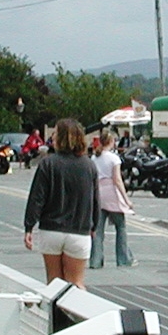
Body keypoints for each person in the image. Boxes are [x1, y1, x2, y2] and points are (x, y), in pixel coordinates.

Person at [24, 117, 97, 286]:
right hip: (79, 230)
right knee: (76, 283)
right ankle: (77, 304)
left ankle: (55, 304)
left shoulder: (48, 164)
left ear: (62, 137)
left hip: (51, 230)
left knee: (54, 281)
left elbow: (37, 198)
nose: (53, 137)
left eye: (56, 133)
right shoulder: (89, 166)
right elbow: (95, 200)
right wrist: (93, 226)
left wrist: (29, 226)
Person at [91, 130, 134, 267]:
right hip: (111, 194)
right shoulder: (114, 158)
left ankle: (95, 261)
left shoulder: (94, 158)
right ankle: (123, 259)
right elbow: (117, 180)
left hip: (98, 193)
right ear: (111, 142)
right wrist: (126, 200)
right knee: (120, 227)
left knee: (98, 230)